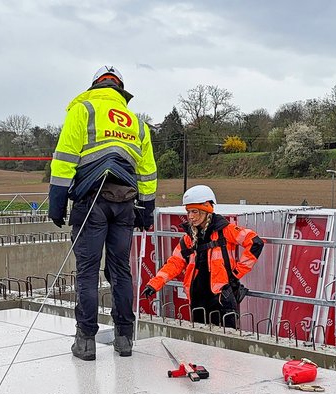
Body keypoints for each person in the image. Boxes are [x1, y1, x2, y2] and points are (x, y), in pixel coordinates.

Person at [48, 65, 158, 361]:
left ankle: (85, 342)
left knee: (87, 272)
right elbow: (147, 171)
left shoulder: (83, 109)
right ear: (121, 90)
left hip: (91, 202)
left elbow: (64, 159)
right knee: (121, 270)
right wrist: (147, 210)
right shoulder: (136, 122)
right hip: (125, 204)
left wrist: (56, 202)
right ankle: (125, 339)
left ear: (95, 85)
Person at [142, 185, 264, 328]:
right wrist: (154, 284)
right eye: (188, 212)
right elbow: (175, 263)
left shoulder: (225, 230)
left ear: (207, 210)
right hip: (197, 299)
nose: (191, 216)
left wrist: (236, 273)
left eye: (195, 211)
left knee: (225, 343)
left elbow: (255, 242)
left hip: (221, 299)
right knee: (200, 344)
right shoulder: (189, 238)